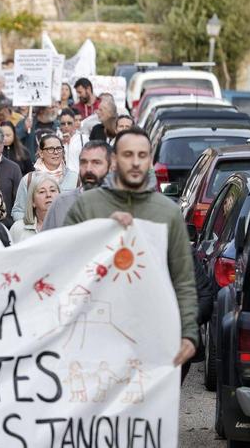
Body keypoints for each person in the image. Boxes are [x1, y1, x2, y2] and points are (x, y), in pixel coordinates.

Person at [63, 128, 198, 369]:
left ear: (150, 160)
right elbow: (64, 264)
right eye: (128, 155)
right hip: (95, 334)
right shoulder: (87, 206)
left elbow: (183, 279)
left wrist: (188, 333)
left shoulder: (168, 213)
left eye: (142, 155)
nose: (135, 162)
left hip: (151, 337)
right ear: (114, 161)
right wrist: (101, 230)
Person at [42, 140, 112, 230]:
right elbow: (47, 237)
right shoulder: (61, 203)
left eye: (96, 163)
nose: (88, 169)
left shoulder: (120, 203)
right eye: (83, 162)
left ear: (111, 167)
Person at [11, 133, 78, 221]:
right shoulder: (29, 179)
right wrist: (33, 225)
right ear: (41, 153)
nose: (56, 152)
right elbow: (18, 211)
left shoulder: (75, 177)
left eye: (59, 148)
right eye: (50, 149)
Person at [9, 173, 59, 243]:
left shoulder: (69, 226)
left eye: (52, 190)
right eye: (42, 192)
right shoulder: (18, 228)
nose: (48, 195)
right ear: (33, 201)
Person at [59, 109, 84, 173]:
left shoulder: (83, 138)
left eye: (69, 123)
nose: (66, 126)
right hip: (61, 176)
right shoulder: (56, 139)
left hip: (78, 176)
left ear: (74, 123)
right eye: (63, 123)